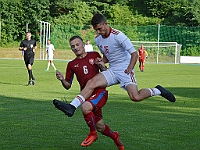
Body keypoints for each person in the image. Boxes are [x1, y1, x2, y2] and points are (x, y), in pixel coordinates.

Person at [54, 13, 176, 117]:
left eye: (100, 29)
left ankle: (158, 90)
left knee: (135, 97)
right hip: (112, 70)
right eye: (96, 30)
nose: (98, 32)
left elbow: (134, 54)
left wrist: (129, 68)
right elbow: (107, 55)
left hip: (125, 70)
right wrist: (102, 61)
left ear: (106, 24)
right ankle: (72, 106)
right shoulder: (98, 39)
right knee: (91, 83)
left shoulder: (118, 36)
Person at [53, 36, 124, 150]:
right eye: (73, 46)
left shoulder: (94, 55)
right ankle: (115, 136)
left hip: (100, 92)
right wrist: (62, 79)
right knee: (100, 126)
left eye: (77, 45)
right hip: (86, 95)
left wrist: (102, 66)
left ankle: (92, 133)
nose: (75, 48)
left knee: (85, 108)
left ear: (83, 45)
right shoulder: (71, 64)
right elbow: (68, 86)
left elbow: (106, 73)